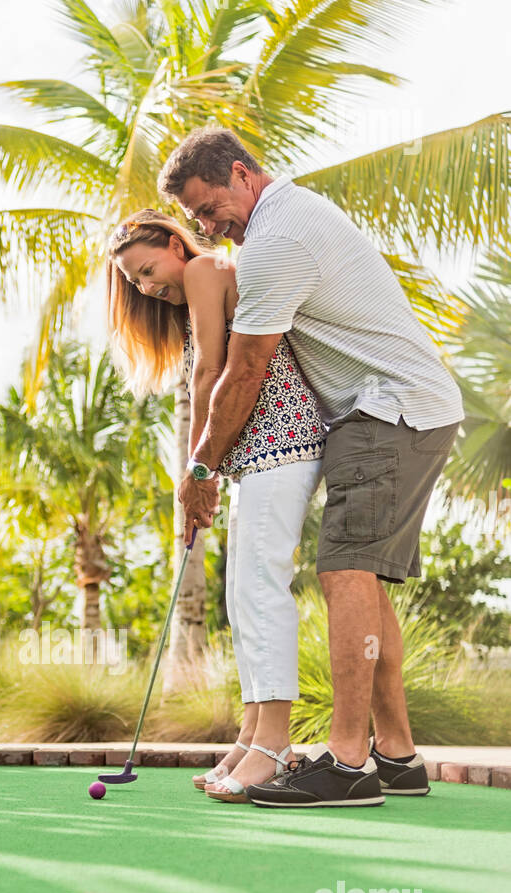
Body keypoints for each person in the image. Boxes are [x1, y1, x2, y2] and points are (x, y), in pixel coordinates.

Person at [158, 127, 463, 808]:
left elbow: (244, 369)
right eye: (196, 219)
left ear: (242, 174)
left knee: (344, 569)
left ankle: (347, 763)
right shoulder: (289, 218)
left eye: (210, 209)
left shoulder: (276, 239)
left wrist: (201, 470)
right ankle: (397, 754)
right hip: (399, 407)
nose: (208, 227)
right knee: (367, 581)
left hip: (389, 408)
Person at [107, 210, 325, 800]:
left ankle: (274, 745)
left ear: (176, 244)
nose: (148, 287)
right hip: (254, 453)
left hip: (282, 441)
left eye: (149, 270)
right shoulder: (197, 282)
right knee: (241, 596)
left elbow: (210, 371)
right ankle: (253, 735)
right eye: (135, 283)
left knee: (259, 589)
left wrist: (197, 469)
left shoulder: (205, 267)